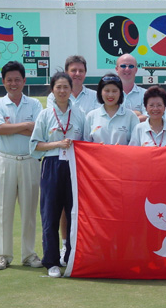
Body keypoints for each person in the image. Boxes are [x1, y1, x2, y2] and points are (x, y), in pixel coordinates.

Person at [0, 61, 43, 271]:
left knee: (29, 211)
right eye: (9, 80)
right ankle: (3, 255)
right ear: (3, 81)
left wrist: (10, 127)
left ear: (24, 81)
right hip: (6, 161)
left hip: (30, 161)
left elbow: (38, 132)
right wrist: (26, 126)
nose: (13, 84)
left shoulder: (35, 104)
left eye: (17, 80)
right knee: (4, 209)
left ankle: (29, 254)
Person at [30, 72, 85, 278]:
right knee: (50, 215)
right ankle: (51, 261)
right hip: (52, 165)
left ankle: (70, 257)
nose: (62, 91)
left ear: (72, 89)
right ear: (52, 89)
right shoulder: (45, 114)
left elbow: (86, 142)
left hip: (74, 166)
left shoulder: (79, 113)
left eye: (66, 87)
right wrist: (57, 144)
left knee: (74, 214)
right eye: (58, 87)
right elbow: (35, 146)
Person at [46, 55, 97, 266]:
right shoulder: (55, 95)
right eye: (73, 70)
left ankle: (82, 247)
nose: (77, 74)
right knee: (62, 209)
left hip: (84, 160)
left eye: (80, 70)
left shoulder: (94, 96)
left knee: (82, 206)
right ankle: (65, 245)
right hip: (58, 160)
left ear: (85, 73)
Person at [84, 73, 139, 145]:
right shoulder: (91, 116)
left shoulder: (131, 116)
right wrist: (96, 149)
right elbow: (85, 144)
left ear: (120, 93)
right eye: (107, 91)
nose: (110, 95)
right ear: (100, 92)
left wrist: (123, 150)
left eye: (114, 91)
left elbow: (137, 144)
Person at [115, 53, 147, 122]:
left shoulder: (146, 94)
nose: (127, 69)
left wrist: (120, 119)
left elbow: (148, 117)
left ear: (136, 70)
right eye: (123, 66)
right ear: (117, 69)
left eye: (131, 66)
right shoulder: (110, 94)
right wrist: (137, 113)